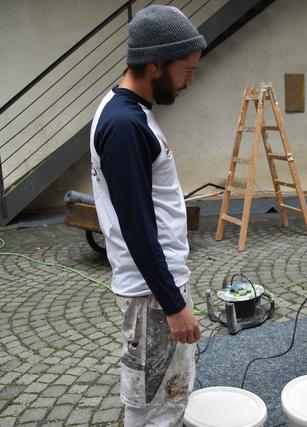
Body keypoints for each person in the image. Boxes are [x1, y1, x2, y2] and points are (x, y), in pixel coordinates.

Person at [90, 5, 206, 425]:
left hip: (153, 287)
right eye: (186, 70)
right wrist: (174, 305)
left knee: (152, 396)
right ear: (155, 62)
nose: (192, 80)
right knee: (162, 402)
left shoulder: (130, 111)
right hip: (152, 294)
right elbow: (137, 229)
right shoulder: (124, 125)